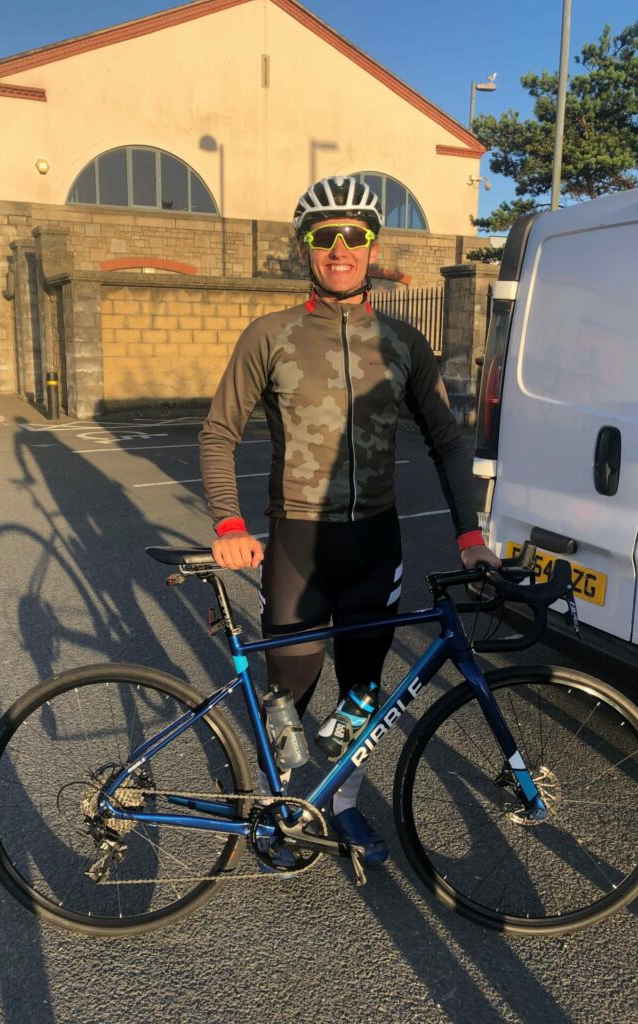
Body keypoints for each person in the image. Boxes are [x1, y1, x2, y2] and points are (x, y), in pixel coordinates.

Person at [199, 175, 499, 865]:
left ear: (372, 246)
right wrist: (228, 524)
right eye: (323, 236)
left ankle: (342, 804)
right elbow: (218, 433)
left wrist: (471, 535)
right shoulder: (269, 336)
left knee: (362, 694)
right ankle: (281, 808)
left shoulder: (401, 340)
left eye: (354, 236)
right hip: (299, 543)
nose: (340, 249)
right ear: (305, 248)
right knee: (290, 691)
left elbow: (447, 440)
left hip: (375, 543)